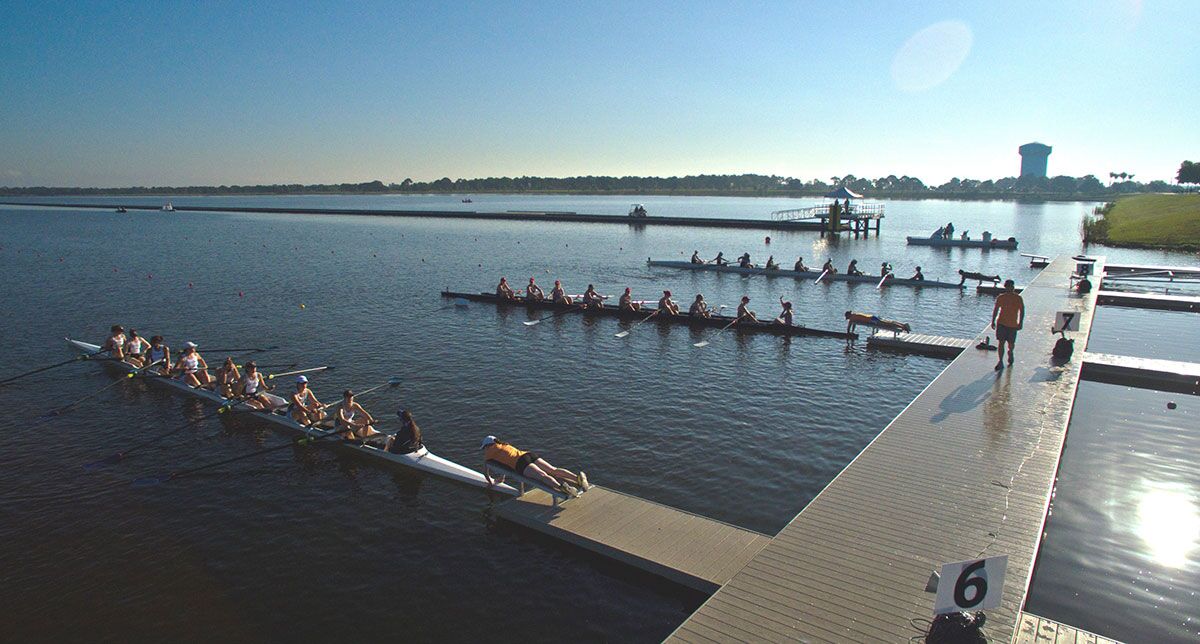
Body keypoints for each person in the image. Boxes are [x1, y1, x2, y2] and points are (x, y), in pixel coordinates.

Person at [481, 435, 588, 498]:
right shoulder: (504, 444)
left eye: (484, 447)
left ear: (487, 445)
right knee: (553, 469)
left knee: (542, 476)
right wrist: (502, 477)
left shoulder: (489, 452)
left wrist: (491, 483)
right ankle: (577, 478)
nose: (484, 450)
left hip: (520, 463)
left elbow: (486, 471)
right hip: (528, 455)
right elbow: (504, 459)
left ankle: (562, 487)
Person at [991, 279, 1025, 371]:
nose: (1009, 288)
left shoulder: (1018, 298)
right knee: (1001, 342)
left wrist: (1020, 322)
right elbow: (996, 309)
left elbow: (1022, 311)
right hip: (1001, 323)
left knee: (1011, 344)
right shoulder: (1001, 297)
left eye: (1010, 287)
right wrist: (993, 321)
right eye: (1007, 287)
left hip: (1012, 325)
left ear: (1013, 287)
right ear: (1005, 287)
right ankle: (1000, 361)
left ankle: (1010, 352)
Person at [844, 311, 911, 334]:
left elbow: (849, 326)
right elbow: (853, 325)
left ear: (848, 315)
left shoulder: (852, 318)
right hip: (873, 317)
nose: (848, 319)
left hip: (872, 320)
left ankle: (903, 327)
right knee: (889, 322)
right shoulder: (855, 315)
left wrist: (848, 333)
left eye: (847, 317)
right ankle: (903, 325)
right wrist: (852, 332)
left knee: (888, 324)